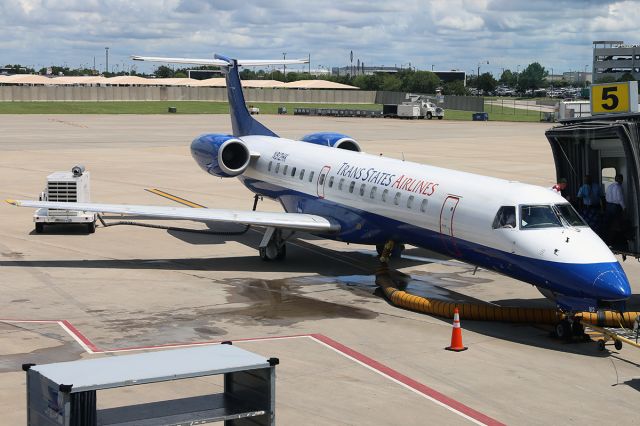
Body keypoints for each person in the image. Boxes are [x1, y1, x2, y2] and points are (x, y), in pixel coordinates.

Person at [604, 174, 626, 248]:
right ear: (620, 179)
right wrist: (624, 208)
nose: (622, 181)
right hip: (615, 207)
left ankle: (607, 241)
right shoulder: (618, 187)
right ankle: (614, 242)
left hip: (608, 206)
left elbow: (606, 195)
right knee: (616, 224)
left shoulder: (610, 186)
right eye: (621, 179)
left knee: (609, 224)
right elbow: (620, 198)